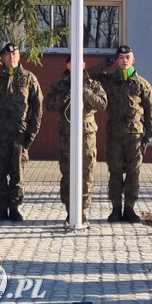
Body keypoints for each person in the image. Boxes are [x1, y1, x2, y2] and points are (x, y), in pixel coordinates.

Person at [91, 44, 152, 223]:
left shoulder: (142, 84)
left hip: (134, 135)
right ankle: (116, 209)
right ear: (117, 60)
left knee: (133, 172)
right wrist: (104, 63)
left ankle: (129, 208)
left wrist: (149, 134)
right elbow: (87, 76)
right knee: (115, 172)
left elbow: (150, 109)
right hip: (114, 135)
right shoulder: (109, 80)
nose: (124, 60)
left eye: (127, 58)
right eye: (120, 58)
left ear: (133, 60)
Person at [0, 42, 43, 222]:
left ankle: (15, 208)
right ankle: (1, 208)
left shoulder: (28, 78)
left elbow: (38, 106)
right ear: (2, 58)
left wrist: (32, 132)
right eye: (8, 55)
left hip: (19, 133)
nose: (12, 57)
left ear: (19, 56)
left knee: (17, 172)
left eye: (15, 54)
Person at [46, 56, 107, 222]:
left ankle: (83, 211)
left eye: (79, 63)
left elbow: (102, 104)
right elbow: (49, 105)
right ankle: (70, 210)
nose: (76, 66)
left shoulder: (92, 84)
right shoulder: (60, 85)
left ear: (84, 65)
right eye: (72, 63)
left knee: (86, 173)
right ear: (67, 65)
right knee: (68, 174)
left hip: (87, 136)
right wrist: (65, 95)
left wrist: (85, 91)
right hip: (67, 136)